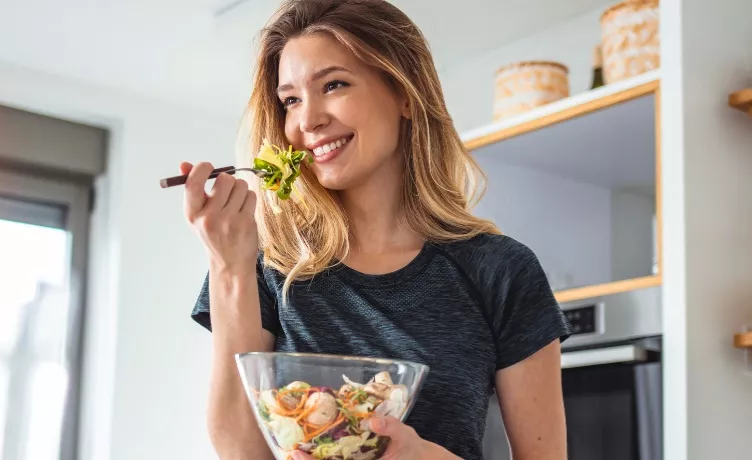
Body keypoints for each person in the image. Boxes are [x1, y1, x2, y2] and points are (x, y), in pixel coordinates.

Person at [181, 0, 572, 459]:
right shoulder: (267, 264)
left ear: (404, 93)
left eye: (333, 84)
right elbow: (244, 453)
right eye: (291, 100)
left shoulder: (502, 270)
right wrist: (229, 268)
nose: (307, 121)